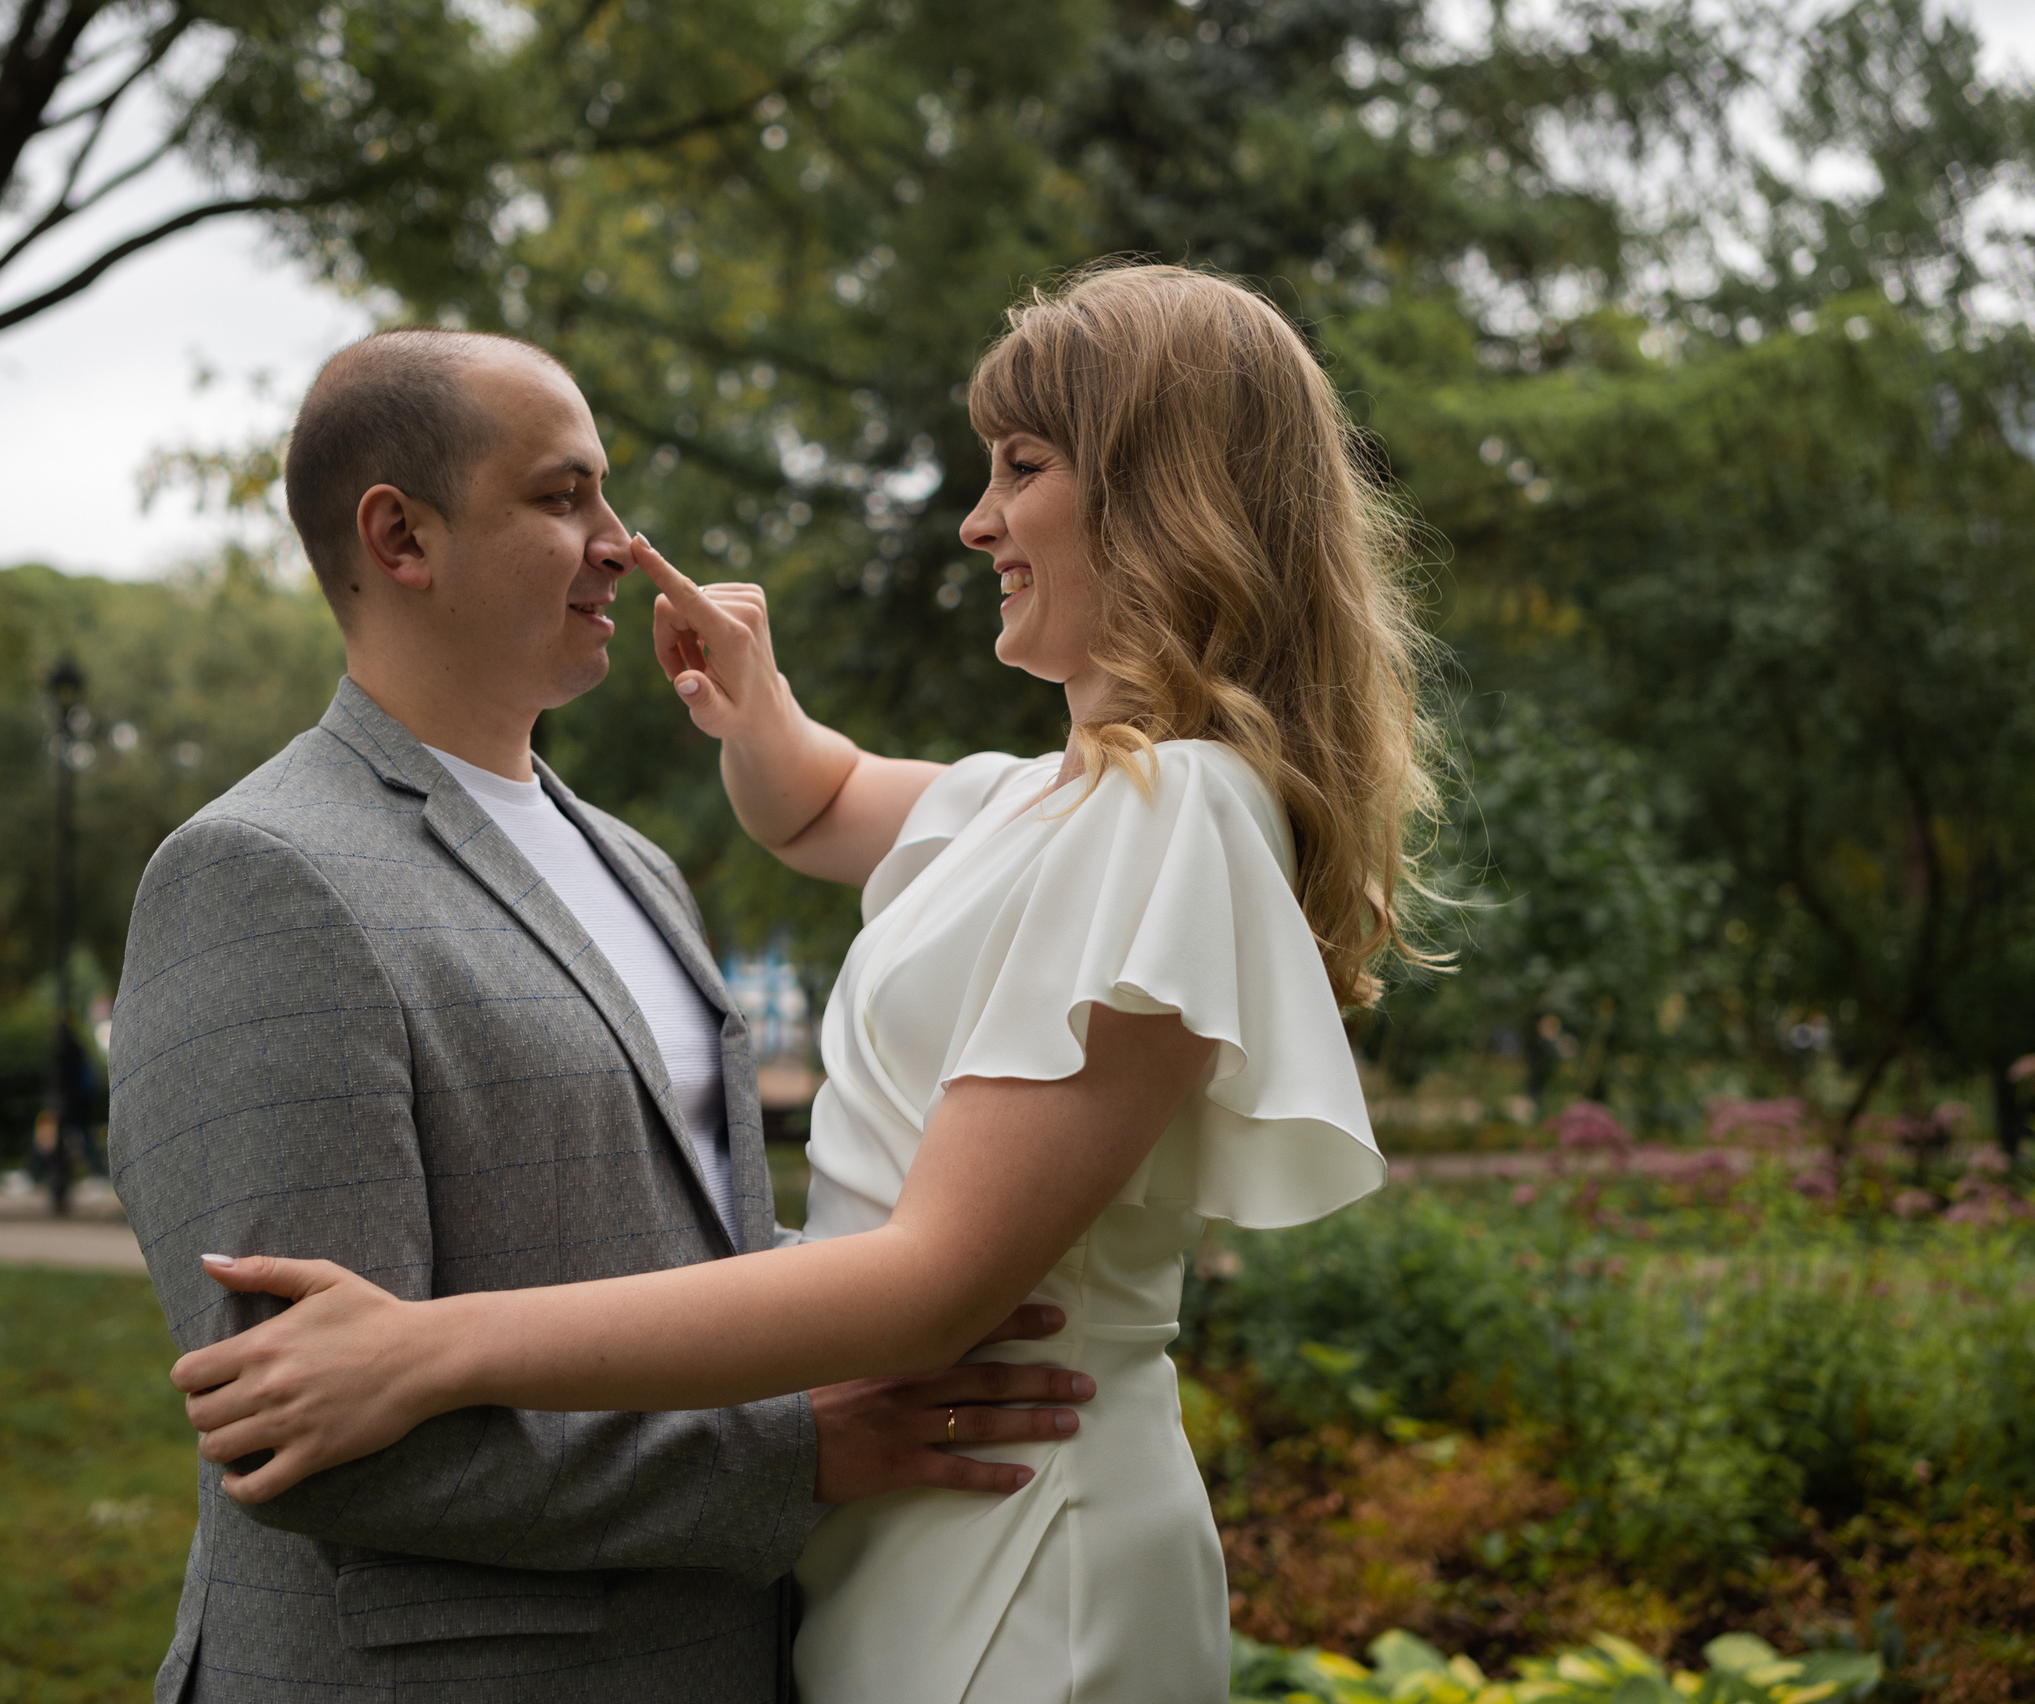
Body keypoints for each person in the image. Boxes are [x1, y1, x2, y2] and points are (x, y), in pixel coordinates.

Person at [173, 263, 1431, 1701]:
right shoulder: (1051, 808)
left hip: (1029, 1539)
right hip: (918, 1535)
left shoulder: (1173, 813)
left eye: (1022, 469)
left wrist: (427, 1350)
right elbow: (818, 804)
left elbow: (928, 1284)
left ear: (1159, 495)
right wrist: (751, 700)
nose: (977, 520)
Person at [106, 328, 1094, 1704]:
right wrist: (791, 1455)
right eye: (563, 497)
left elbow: (699, 1240)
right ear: (400, 536)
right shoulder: (261, 877)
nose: (621, 545)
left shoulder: (635, 866)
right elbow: (303, 1430)